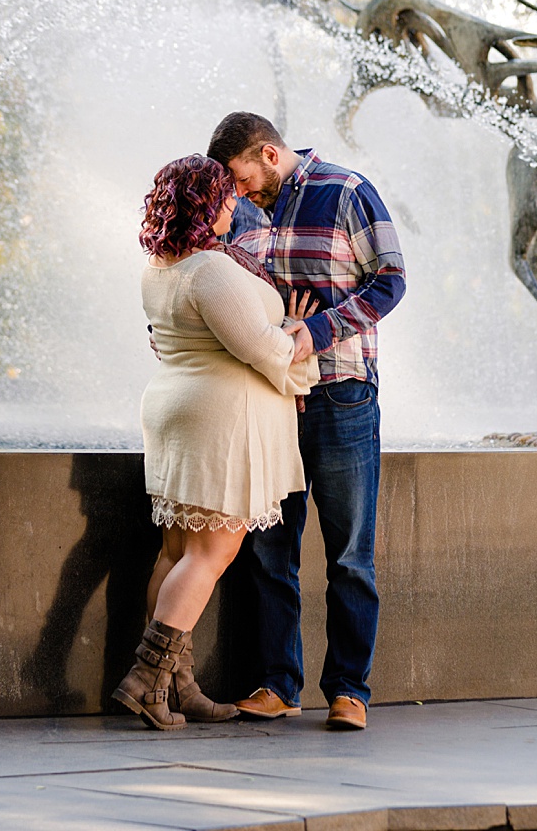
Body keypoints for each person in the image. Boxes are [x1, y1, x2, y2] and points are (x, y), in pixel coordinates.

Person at [206, 111, 406, 732]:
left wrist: (310, 332)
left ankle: (349, 691)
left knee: (349, 553)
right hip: (268, 400)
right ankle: (277, 685)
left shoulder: (346, 191)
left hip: (341, 393)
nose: (237, 193)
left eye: (241, 176)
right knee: (268, 551)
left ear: (268, 154)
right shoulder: (238, 213)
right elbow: (220, 290)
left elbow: (391, 281)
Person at [113, 154, 319, 731]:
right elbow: (257, 348)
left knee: (176, 553)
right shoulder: (210, 269)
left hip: (177, 407)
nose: (235, 204)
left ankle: (180, 687)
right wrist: (298, 339)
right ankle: (144, 680)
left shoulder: (160, 264)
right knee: (211, 554)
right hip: (222, 416)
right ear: (206, 204)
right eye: (225, 197)